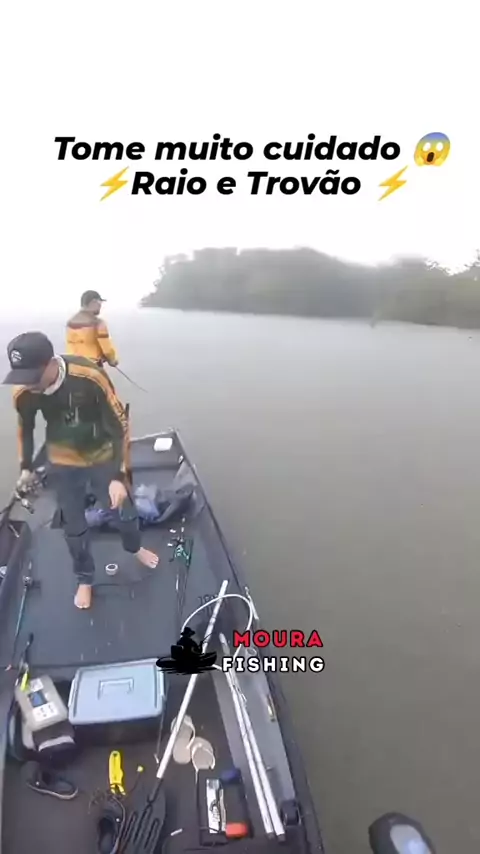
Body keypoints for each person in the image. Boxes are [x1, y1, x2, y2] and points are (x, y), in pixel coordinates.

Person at [3, 331, 158, 610]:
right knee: (73, 526)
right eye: (22, 377)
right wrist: (26, 468)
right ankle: (84, 578)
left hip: (101, 455)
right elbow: (26, 429)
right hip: (62, 461)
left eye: (33, 376)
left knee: (124, 512)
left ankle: (135, 548)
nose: (28, 384)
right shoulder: (24, 392)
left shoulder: (89, 376)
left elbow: (119, 425)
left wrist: (118, 476)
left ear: (51, 363)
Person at [66, 290, 118, 368]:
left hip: (73, 366)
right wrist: (112, 360)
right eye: (99, 303)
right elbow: (107, 350)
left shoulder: (70, 323)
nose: (100, 306)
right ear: (93, 302)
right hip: (92, 366)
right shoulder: (98, 323)